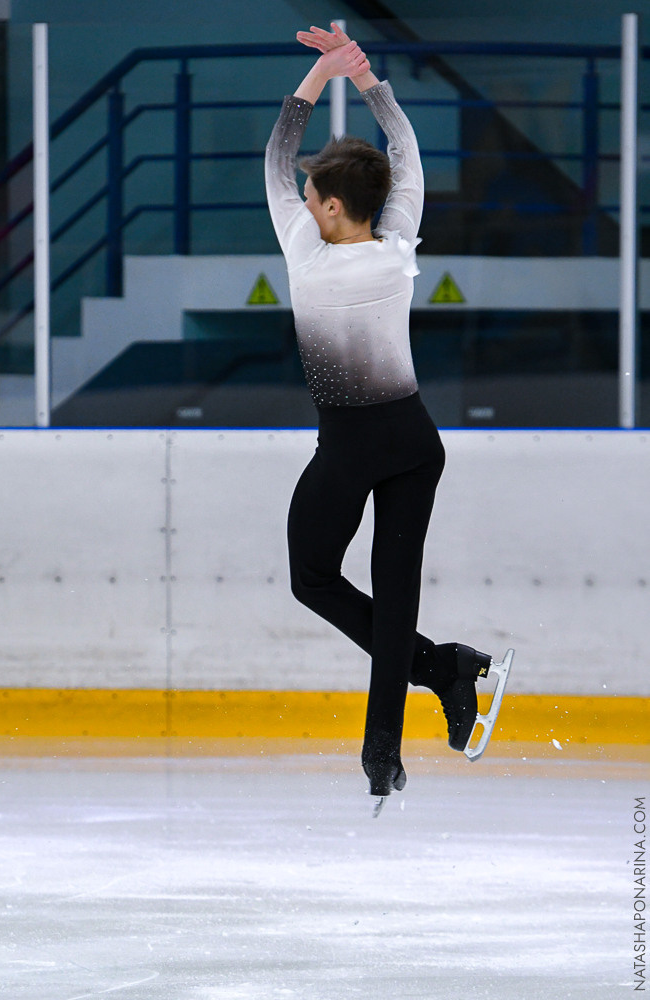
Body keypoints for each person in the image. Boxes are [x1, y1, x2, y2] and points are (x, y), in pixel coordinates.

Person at [265, 23, 510, 812]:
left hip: (351, 445)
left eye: (312, 197)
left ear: (332, 208)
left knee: (312, 578)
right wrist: (368, 80)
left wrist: (319, 79)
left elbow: (274, 160)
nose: (302, 202)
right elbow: (405, 156)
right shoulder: (398, 242)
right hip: (412, 440)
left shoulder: (306, 257)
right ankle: (395, 741)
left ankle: (445, 672)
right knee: (393, 595)